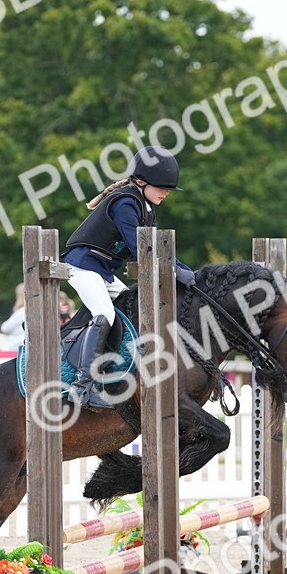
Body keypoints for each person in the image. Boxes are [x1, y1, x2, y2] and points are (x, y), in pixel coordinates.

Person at [61, 145, 193, 408]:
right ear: (141, 181)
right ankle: (82, 386)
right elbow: (141, 249)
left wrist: (186, 270)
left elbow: (157, 248)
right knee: (105, 315)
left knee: (128, 308)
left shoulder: (145, 205)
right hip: (83, 265)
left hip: (102, 271)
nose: (166, 192)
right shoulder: (125, 203)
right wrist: (176, 272)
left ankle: (110, 368)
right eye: (162, 187)